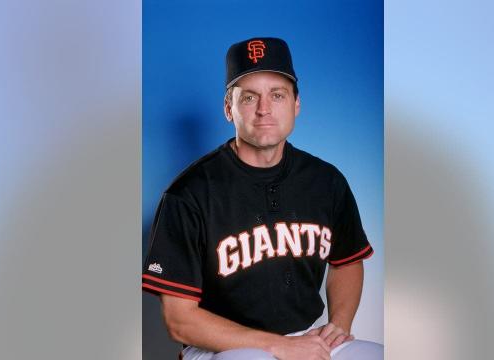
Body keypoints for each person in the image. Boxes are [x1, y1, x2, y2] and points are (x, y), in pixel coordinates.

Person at [142, 37, 382, 360]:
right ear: (229, 108)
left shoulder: (327, 181)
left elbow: (347, 259)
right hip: (220, 348)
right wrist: (280, 347)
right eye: (250, 97)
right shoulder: (188, 194)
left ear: (297, 104)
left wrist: (338, 324)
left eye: (277, 95)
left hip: (303, 337)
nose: (264, 109)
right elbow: (179, 320)